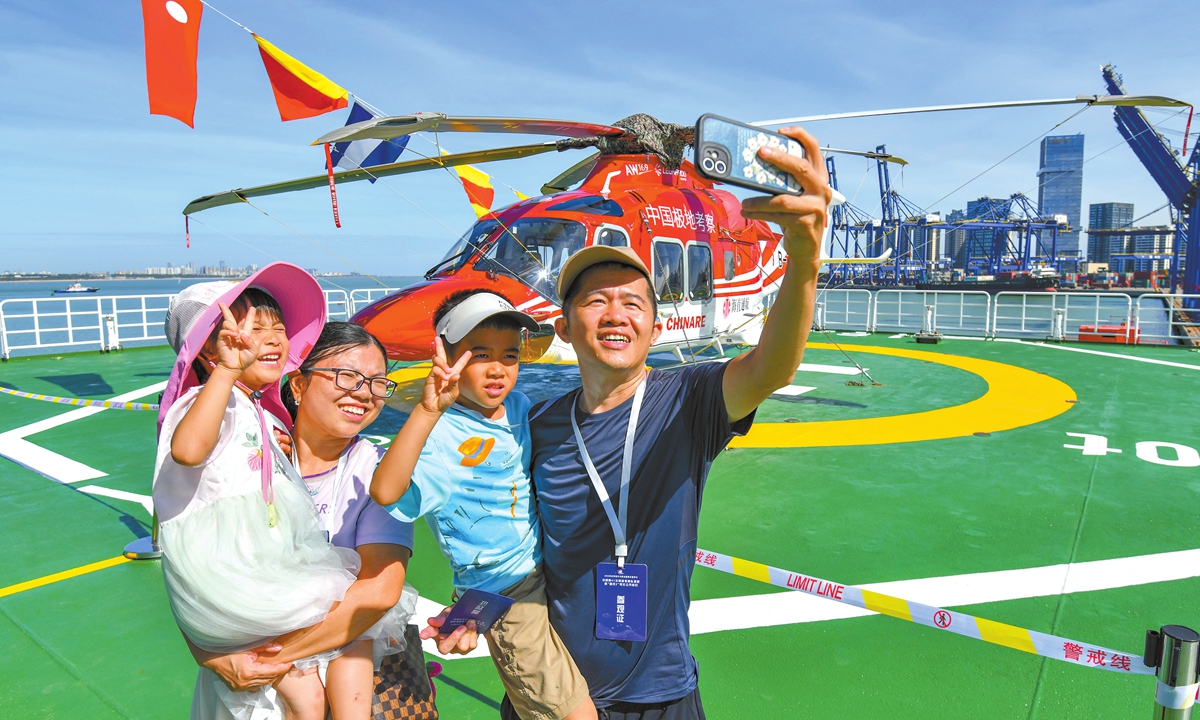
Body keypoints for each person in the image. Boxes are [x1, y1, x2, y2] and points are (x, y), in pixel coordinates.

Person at [429, 126, 833, 718]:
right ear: (561, 327)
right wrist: (479, 607)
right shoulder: (534, 425)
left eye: (634, 302)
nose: (615, 313)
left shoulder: (689, 402)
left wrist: (803, 260)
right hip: (555, 690)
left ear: (654, 324)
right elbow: (511, 538)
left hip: (659, 693)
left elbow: (771, 366)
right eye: (595, 301)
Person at [153, 267, 411, 720]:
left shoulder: (371, 467)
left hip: (276, 659)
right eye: (348, 377)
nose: (365, 394)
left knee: (349, 634)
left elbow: (379, 591)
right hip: (248, 653)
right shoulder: (237, 426)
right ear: (299, 383)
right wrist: (211, 654)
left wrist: (265, 659)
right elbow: (191, 547)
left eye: (377, 382)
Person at [371, 290, 598, 720]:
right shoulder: (440, 435)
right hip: (504, 590)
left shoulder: (516, 404)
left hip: (544, 568)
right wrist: (425, 411)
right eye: (478, 354)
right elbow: (386, 493)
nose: (498, 369)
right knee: (574, 712)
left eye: (509, 355)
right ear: (444, 356)